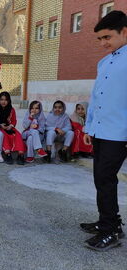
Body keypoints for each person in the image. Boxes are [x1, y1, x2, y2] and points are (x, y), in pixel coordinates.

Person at [80, 10, 127, 252]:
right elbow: (96, 96)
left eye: (107, 37)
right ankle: (108, 222)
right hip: (100, 130)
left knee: (105, 180)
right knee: (101, 179)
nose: (103, 43)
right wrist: (89, 126)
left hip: (120, 133)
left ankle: (111, 231)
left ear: (124, 32)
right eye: (99, 39)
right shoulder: (105, 61)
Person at [0, 92, 25, 165]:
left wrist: (11, 126)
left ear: (9, 101)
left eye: (6, 100)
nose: (3, 102)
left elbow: (14, 120)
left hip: (9, 127)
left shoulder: (11, 110)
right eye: (2, 99)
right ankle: (8, 154)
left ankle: (20, 154)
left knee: (18, 135)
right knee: (4, 135)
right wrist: (0, 125)